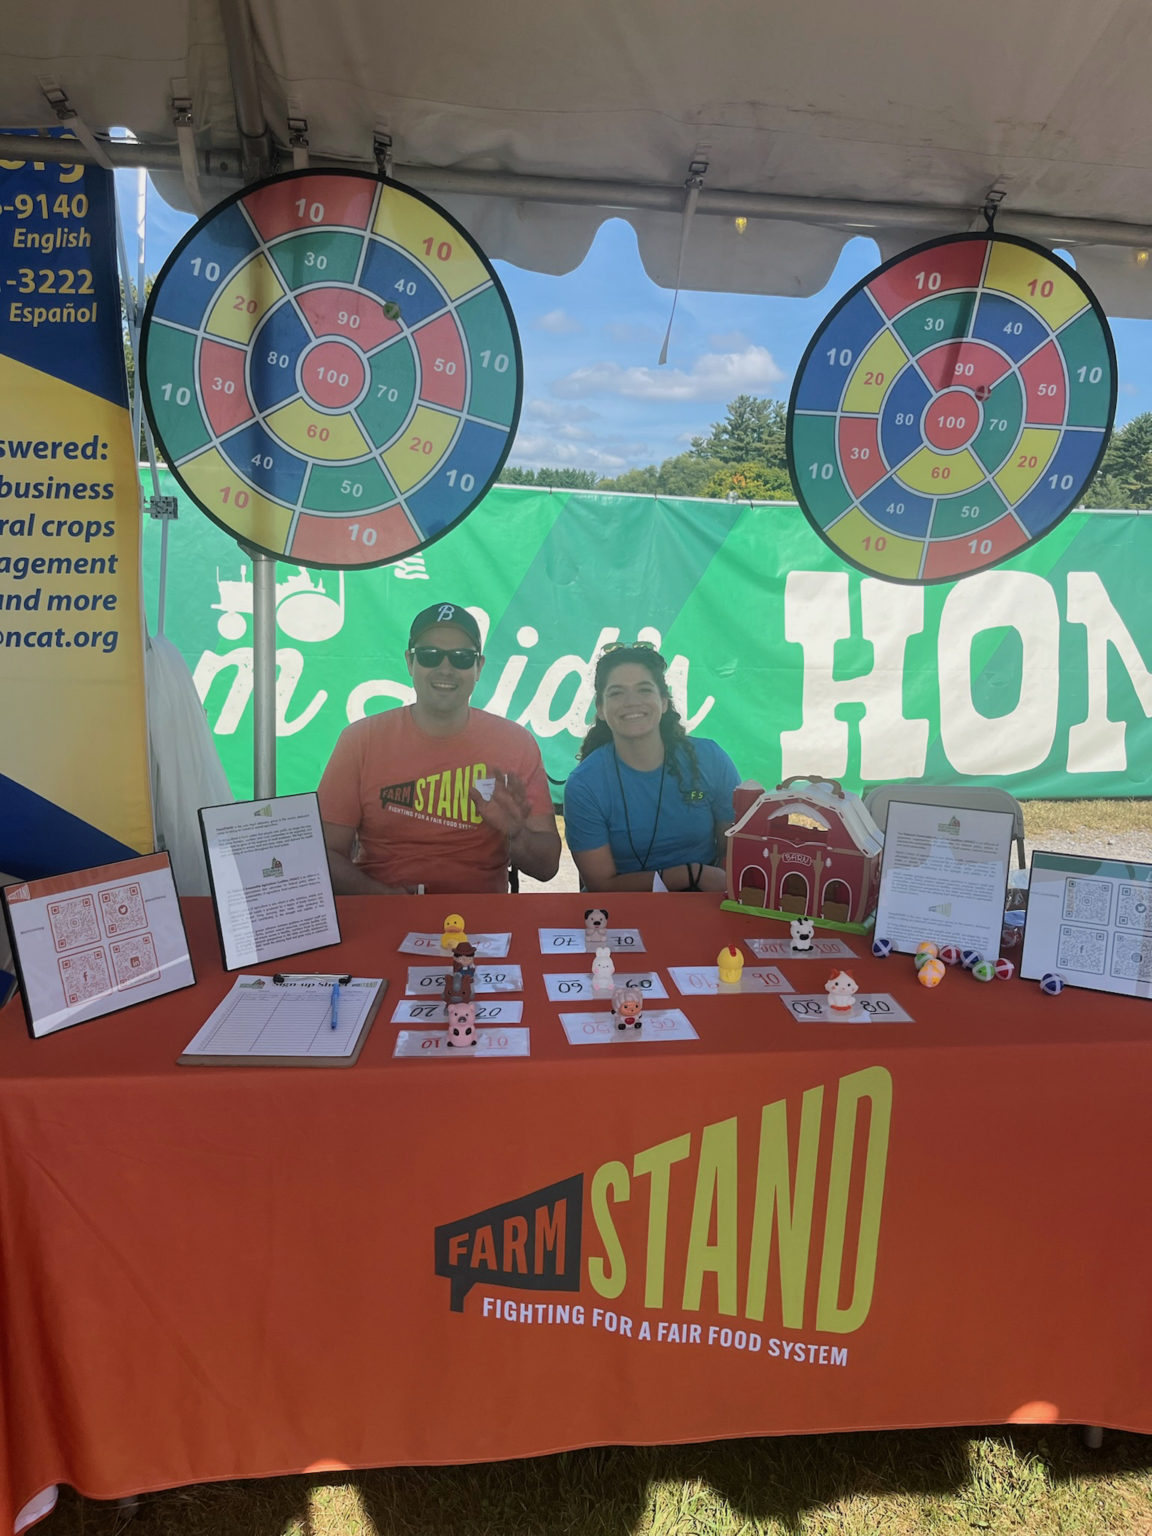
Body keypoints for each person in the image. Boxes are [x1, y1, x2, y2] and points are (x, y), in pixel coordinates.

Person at [319, 602, 561, 894]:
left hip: (482, 924)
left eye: (461, 658)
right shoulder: (360, 741)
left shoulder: (516, 743)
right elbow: (323, 856)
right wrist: (386, 899)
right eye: (430, 655)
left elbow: (547, 868)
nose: (445, 668)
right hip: (381, 913)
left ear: (479, 667)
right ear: (410, 662)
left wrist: (515, 834)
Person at [563, 643, 740, 892]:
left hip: (705, 902)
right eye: (616, 693)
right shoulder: (584, 784)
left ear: (664, 702)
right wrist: (692, 875)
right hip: (621, 911)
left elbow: (735, 851)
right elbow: (601, 886)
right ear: (600, 709)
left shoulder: (710, 759)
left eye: (644, 690)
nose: (632, 701)